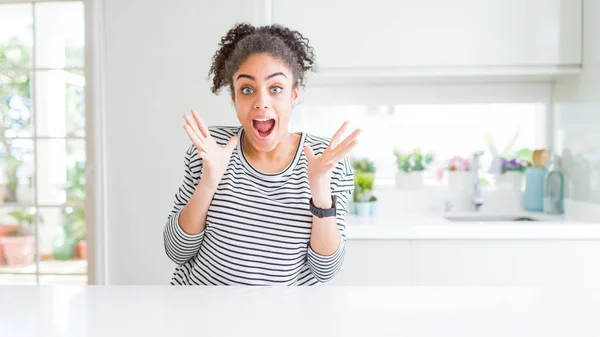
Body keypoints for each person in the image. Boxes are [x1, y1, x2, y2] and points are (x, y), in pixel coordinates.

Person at [163, 22, 361, 286]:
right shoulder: (212, 148)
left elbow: (325, 271)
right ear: (233, 97)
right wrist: (209, 182)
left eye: (275, 88)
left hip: (281, 322)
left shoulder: (326, 160)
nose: (261, 102)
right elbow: (177, 251)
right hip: (201, 318)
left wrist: (321, 192)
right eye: (247, 89)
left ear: (294, 94)